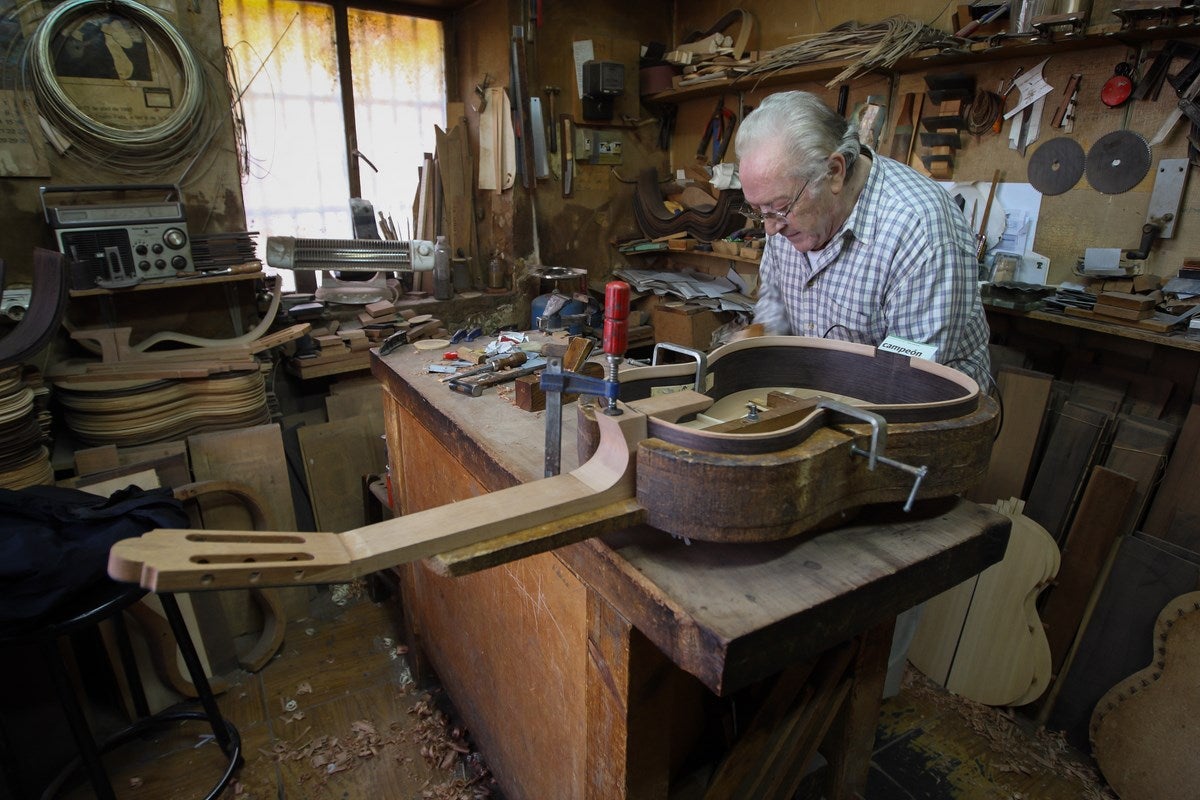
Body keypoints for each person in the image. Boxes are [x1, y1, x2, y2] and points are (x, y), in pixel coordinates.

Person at [734, 90, 992, 388]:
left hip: (921, 403)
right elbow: (775, 306)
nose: (770, 228)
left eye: (779, 208)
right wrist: (761, 337)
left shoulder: (918, 228)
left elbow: (908, 376)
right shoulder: (785, 212)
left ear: (834, 172)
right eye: (759, 211)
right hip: (826, 392)